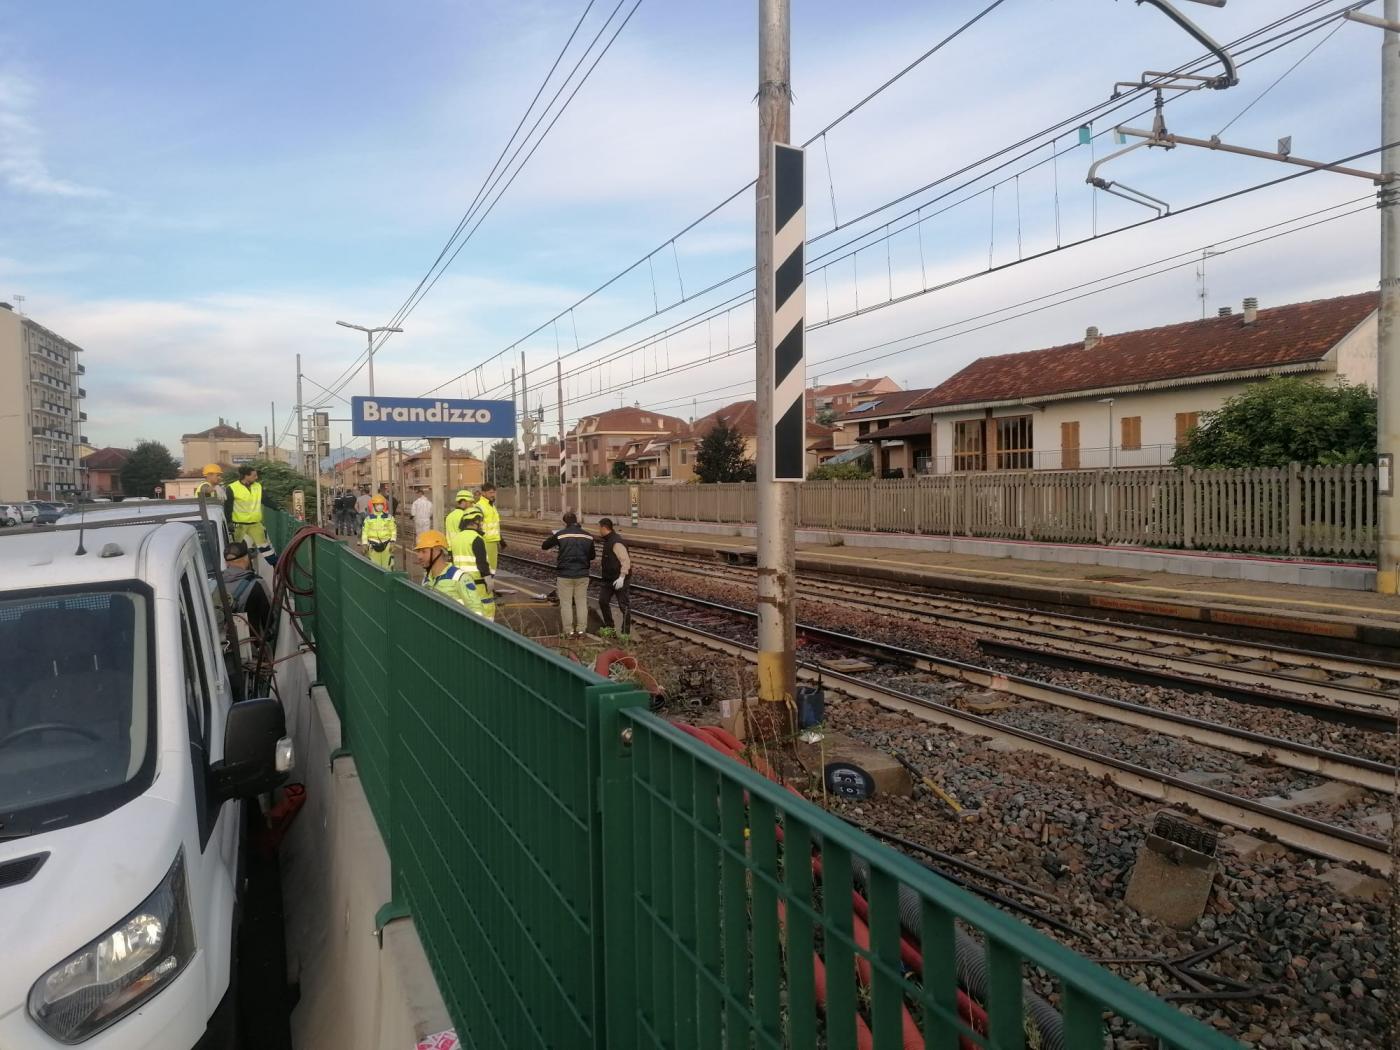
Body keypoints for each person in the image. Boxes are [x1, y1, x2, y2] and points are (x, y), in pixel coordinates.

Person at [413, 529, 489, 617]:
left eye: (423, 551)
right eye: (418, 552)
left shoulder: (460, 578)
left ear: (438, 550)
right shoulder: (426, 579)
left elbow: (477, 612)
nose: (419, 556)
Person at [541, 511, 594, 638]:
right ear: (577, 521)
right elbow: (592, 556)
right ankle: (581, 630)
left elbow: (544, 546)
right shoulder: (588, 536)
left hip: (565, 574)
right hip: (582, 574)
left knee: (566, 603)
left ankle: (569, 631)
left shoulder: (560, 535)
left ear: (565, 523)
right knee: (581, 602)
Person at [222, 540, 274, 646]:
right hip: (251, 648)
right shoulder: (257, 583)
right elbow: (270, 619)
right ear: (246, 559)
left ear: (226, 562)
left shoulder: (215, 584)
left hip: (223, 647)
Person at [449, 506, 496, 620]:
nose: (481, 524)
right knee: (485, 612)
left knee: (466, 612)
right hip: (477, 585)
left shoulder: (456, 539)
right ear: (475, 521)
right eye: (480, 521)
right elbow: (482, 563)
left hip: (460, 583)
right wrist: (488, 580)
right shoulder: (477, 538)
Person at [225, 465, 277, 566]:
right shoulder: (232, 488)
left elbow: (265, 500)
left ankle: (276, 565)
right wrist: (229, 522)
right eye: (254, 475)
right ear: (245, 476)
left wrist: (277, 507)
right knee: (238, 549)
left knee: (264, 547)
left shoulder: (258, 486)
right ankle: (243, 569)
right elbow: (228, 506)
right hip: (239, 525)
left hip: (255, 524)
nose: (256, 478)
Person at [596, 517, 632, 636]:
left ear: (604, 528)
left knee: (624, 606)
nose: (598, 530)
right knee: (603, 601)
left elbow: (625, 561)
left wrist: (622, 577)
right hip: (608, 579)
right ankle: (610, 627)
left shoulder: (616, 542)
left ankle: (625, 632)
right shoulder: (608, 540)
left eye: (599, 528)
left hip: (619, 579)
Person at [360, 493, 397, 569]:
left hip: (387, 545)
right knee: (374, 568)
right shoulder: (368, 519)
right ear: (373, 505)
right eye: (377, 504)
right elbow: (364, 533)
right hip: (373, 545)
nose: (379, 506)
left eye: (381, 504)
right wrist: (364, 544)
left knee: (388, 567)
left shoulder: (389, 518)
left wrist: (393, 542)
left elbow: (393, 530)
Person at [477, 482, 503, 571]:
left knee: (492, 567)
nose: (493, 495)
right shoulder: (480, 506)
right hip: (485, 541)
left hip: (493, 541)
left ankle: (490, 582)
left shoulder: (492, 506)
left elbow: (495, 525)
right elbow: (477, 526)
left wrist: (500, 540)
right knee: (486, 567)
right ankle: (487, 583)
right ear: (483, 493)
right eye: (490, 492)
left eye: (494, 492)